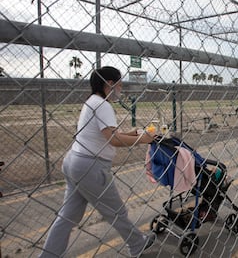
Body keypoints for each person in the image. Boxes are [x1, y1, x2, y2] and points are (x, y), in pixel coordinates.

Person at [39, 66, 156, 258]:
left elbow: (104, 135)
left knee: (68, 216)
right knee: (116, 211)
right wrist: (143, 139)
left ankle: (49, 256)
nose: (121, 88)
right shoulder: (103, 105)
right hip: (91, 166)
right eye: (119, 84)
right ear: (109, 83)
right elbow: (113, 140)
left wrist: (131, 134)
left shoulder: (92, 102)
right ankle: (137, 244)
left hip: (74, 162)